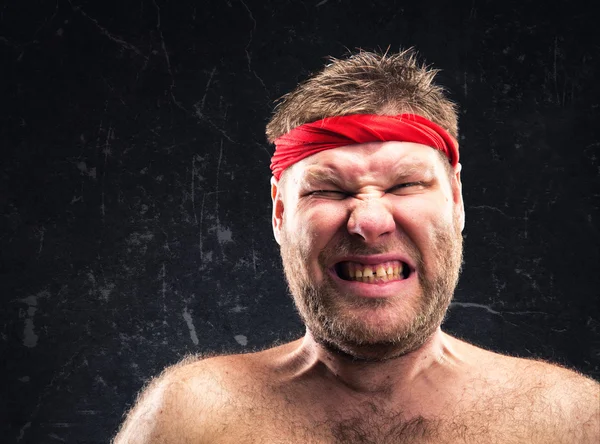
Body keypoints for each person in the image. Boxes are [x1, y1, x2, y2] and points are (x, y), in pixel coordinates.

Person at [113, 50, 599, 444]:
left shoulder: (568, 420)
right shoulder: (191, 418)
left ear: (456, 200)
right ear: (280, 213)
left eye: (406, 184)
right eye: (328, 190)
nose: (368, 221)